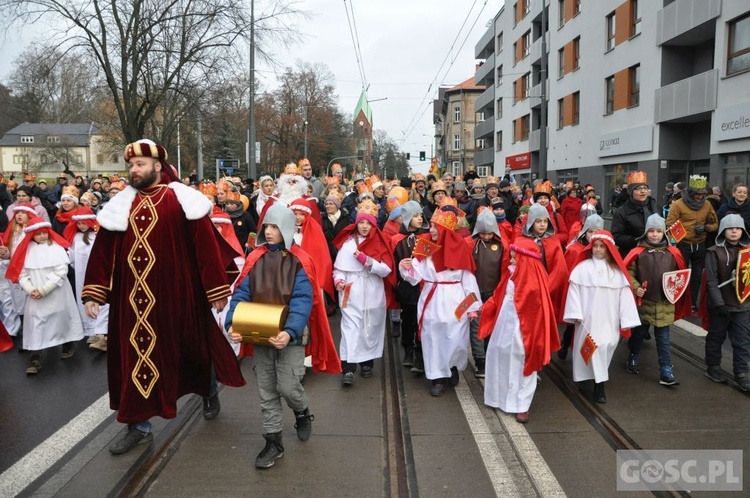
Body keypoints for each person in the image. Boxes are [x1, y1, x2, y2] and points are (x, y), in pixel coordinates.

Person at [82, 139, 245, 455]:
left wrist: (215, 290)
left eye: (140, 164)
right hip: (130, 302)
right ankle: (137, 425)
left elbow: (206, 247)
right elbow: (102, 252)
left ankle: (208, 389)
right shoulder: (120, 205)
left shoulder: (181, 200)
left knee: (192, 352)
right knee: (133, 360)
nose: (134, 169)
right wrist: (94, 291)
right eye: (131, 165)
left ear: (157, 166)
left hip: (176, 295)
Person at [226, 204, 340, 468]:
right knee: (267, 391)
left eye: (275, 226)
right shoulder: (256, 258)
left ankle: (301, 411)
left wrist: (289, 332)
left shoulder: (300, 259)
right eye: (267, 225)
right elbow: (242, 293)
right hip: (260, 333)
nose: (269, 231)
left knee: (288, 387)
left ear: (287, 228)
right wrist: (233, 324)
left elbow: (303, 300)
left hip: (291, 337)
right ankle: (273, 442)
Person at [398, 207, 482, 396]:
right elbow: (415, 276)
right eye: (432, 226)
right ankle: (438, 377)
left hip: (455, 298)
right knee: (433, 338)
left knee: (456, 337)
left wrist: (472, 307)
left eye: (436, 227)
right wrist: (406, 267)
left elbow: (468, 280)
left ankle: (451, 366)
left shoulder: (460, 247)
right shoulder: (426, 245)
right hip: (432, 298)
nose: (432, 230)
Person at [479, 237, 559, 423]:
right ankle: (497, 397)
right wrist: (484, 308)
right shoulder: (511, 274)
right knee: (499, 354)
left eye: (515, 258)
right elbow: (499, 295)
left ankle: (522, 405)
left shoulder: (534, 280)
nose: (511, 261)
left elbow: (537, 311)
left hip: (524, 330)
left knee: (523, 361)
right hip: (505, 324)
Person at [563, 231, 641, 403]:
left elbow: (625, 297)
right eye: (595, 246)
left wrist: (627, 319)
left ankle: (599, 381)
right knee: (587, 349)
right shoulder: (581, 269)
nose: (598, 250)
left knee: (605, 347)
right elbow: (574, 292)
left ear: (609, 249)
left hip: (608, 319)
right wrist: (575, 312)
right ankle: (597, 384)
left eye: (602, 247)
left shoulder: (617, 273)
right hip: (587, 319)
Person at [6, 216, 85, 374]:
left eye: (44, 233)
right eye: (38, 234)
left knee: (61, 318)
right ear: (31, 235)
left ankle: (68, 343)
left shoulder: (55, 247)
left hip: (56, 291)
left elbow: (61, 270)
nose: (42, 236)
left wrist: (44, 289)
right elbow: (21, 274)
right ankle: (35, 355)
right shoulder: (26, 250)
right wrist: (30, 289)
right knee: (36, 322)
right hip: (35, 292)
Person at [332, 199, 394, 385]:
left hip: (373, 290)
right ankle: (348, 368)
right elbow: (339, 268)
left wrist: (368, 261)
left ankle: (367, 362)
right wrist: (339, 280)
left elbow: (386, 270)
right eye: (362, 222)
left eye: (368, 223)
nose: (365, 226)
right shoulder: (348, 243)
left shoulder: (380, 242)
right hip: (351, 290)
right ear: (356, 223)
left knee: (370, 327)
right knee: (350, 328)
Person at [623, 214, 690, 385]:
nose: (654, 234)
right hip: (643, 302)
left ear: (664, 233)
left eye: (658, 231)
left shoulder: (673, 253)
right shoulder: (637, 253)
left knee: (663, 338)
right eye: (651, 231)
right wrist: (636, 286)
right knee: (638, 334)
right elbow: (628, 272)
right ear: (646, 233)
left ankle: (666, 368)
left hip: (665, 302)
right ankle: (633, 355)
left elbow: (679, 276)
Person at [701, 214, 750, 391]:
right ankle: (713, 367)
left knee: (742, 341)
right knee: (716, 337)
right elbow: (712, 281)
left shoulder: (748, 252)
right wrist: (719, 304)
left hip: (743, 305)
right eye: (730, 228)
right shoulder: (714, 252)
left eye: (737, 228)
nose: (734, 231)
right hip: (720, 305)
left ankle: (742, 373)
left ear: (742, 231)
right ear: (723, 231)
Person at [466, 208, 509, 378]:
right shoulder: (470, 243)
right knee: (475, 325)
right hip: (474, 291)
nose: (485, 236)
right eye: (482, 233)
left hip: (494, 291)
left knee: (491, 325)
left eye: (489, 233)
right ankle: (480, 360)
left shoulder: (502, 245)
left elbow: (505, 269)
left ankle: (489, 355)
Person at [665, 175, 718, 310]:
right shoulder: (678, 204)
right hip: (684, 244)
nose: (700, 197)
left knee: (697, 275)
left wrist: (706, 228)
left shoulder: (707, 204)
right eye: (698, 194)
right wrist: (682, 235)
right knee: (681, 274)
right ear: (691, 193)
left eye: (703, 194)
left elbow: (714, 223)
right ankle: (680, 301)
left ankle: (693, 303)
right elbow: (670, 224)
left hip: (700, 244)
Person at [558, 213, 604, 360]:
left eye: (597, 232)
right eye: (590, 231)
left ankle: (586, 356)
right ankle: (565, 345)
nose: (593, 235)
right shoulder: (574, 250)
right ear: (584, 231)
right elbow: (566, 273)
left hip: (595, 294)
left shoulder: (604, 252)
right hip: (578, 293)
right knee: (572, 325)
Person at [63, 207, 109, 352]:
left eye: (84, 223)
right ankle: (88, 329)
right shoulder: (75, 238)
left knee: (99, 299)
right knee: (83, 298)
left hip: (96, 273)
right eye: (79, 223)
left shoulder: (97, 236)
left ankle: (100, 331)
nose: (81, 226)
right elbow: (70, 255)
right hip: (80, 275)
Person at [391, 201, 427, 372]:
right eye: (415, 216)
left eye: (421, 215)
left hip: (424, 286)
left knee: (422, 320)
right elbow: (392, 263)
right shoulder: (396, 240)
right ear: (406, 218)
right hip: (406, 286)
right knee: (408, 318)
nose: (420, 219)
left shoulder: (426, 237)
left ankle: (420, 352)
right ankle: (408, 348)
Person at [611, 171, 659, 259]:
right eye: (638, 189)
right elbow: (616, 237)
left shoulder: (654, 207)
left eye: (645, 188)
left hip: (654, 255)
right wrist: (637, 240)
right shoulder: (622, 212)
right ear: (631, 192)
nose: (643, 191)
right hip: (631, 256)